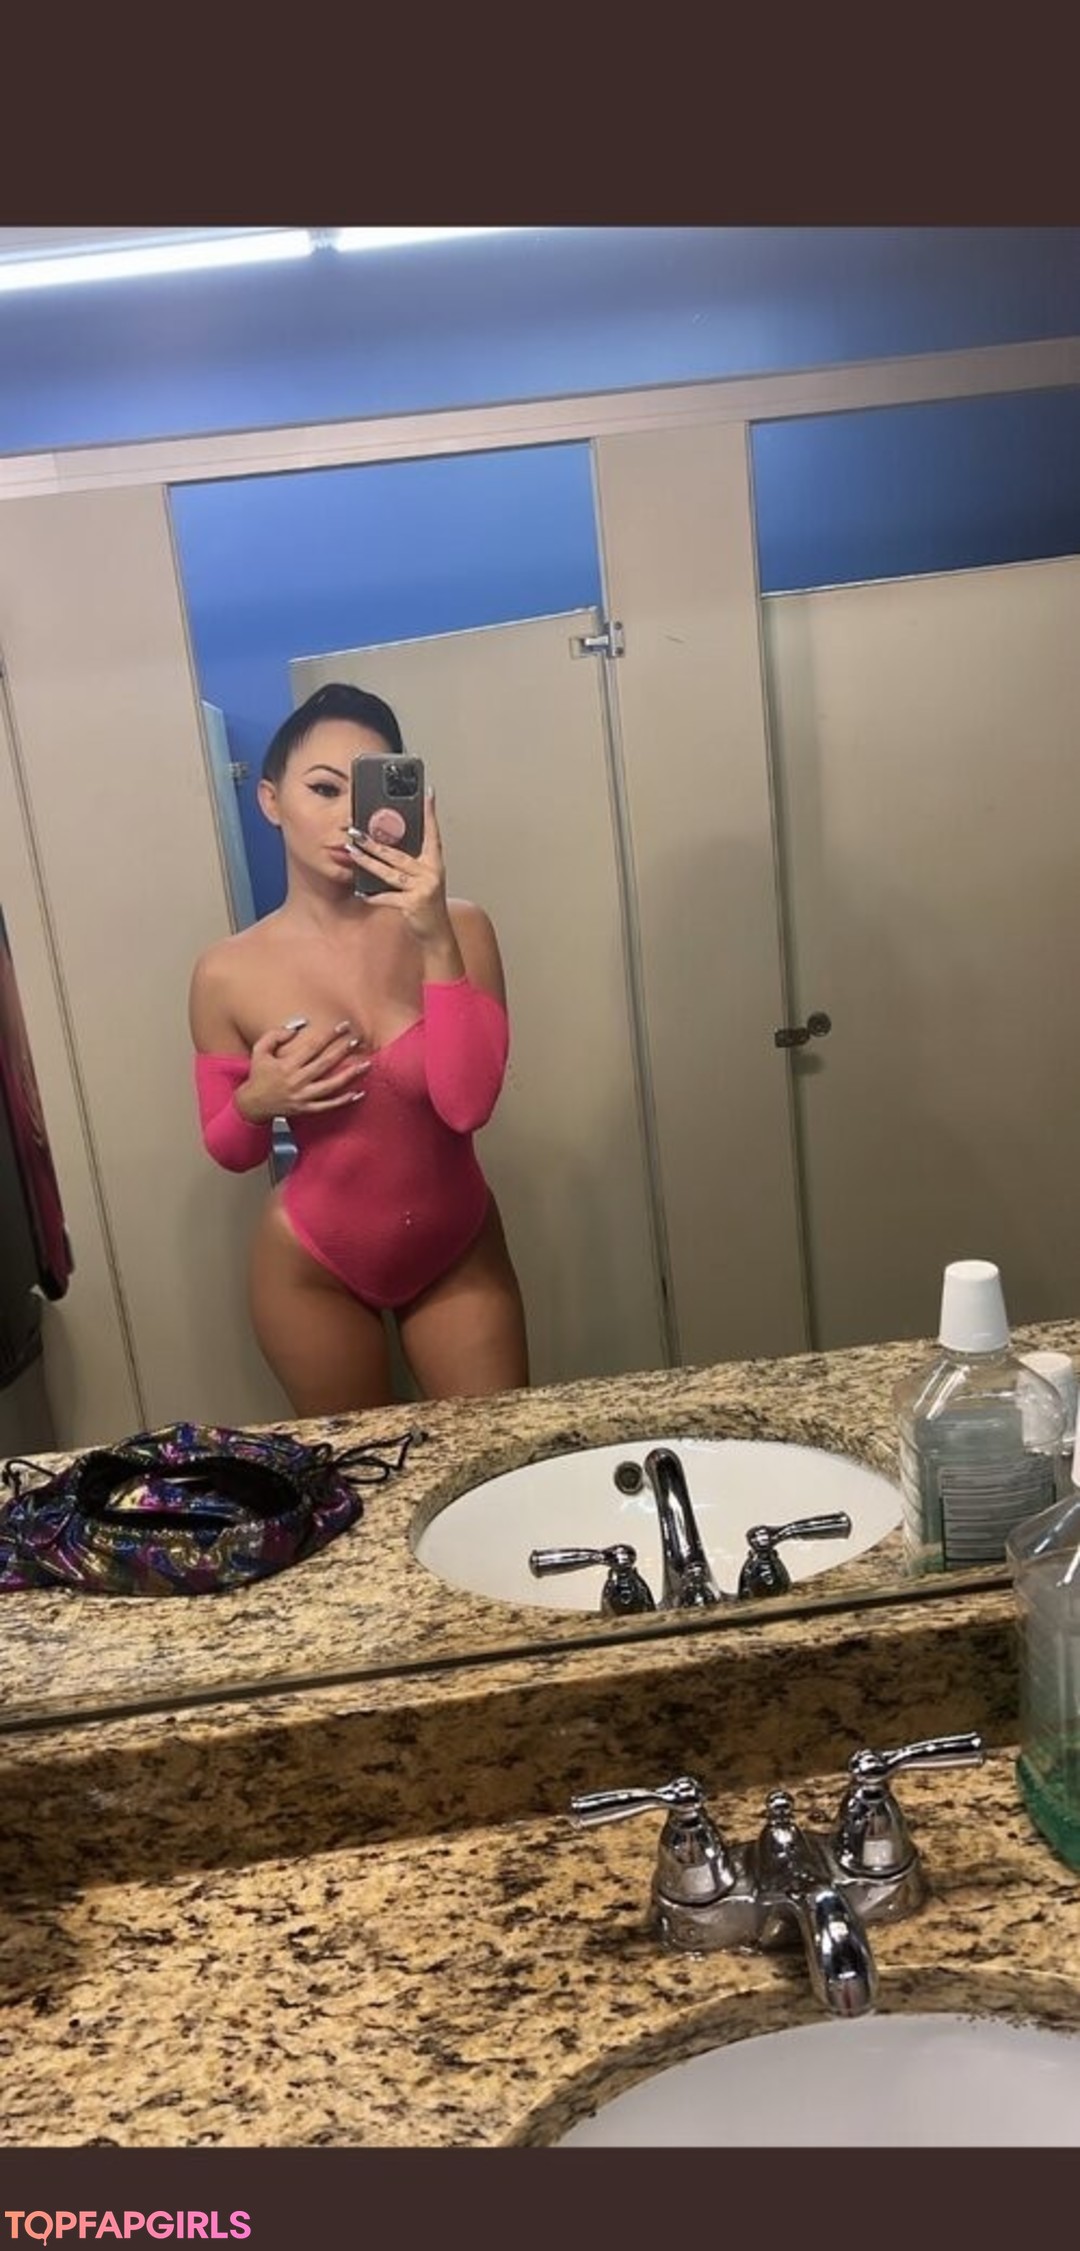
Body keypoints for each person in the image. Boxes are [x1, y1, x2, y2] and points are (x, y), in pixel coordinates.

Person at [189, 682, 529, 1415]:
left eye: (365, 787)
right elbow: (231, 1149)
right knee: (358, 1468)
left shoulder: (461, 926)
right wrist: (256, 1102)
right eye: (322, 788)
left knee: (501, 1451)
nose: (347, 815)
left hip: (457, 1248)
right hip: (311, 1261)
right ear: (271, 801)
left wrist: (434, 936)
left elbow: (467, 1105)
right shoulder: (225, 973)